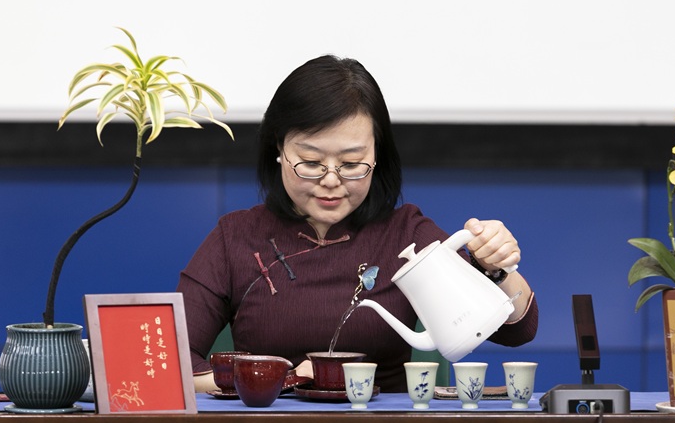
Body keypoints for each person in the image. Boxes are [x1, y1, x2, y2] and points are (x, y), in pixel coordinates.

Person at [178, 55, 537, 393]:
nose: (330, 180)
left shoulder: (406, 236)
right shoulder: (237, 237)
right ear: (279, 150)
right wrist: (284, 381)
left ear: (377, 154)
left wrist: (497, 269)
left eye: (351, 164)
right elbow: (172, 361)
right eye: (311, 162)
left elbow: (517, 330)